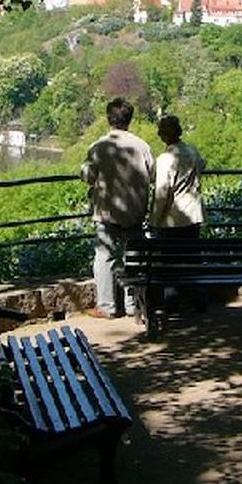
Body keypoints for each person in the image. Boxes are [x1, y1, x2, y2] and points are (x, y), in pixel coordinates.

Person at [81, 97, 154, 318]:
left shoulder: (100, 146)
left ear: (108, 118)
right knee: (134, 257)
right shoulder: (142, 146)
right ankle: (133, 305)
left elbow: (89, 175)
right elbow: (153, 175)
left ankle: (107, 306)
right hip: (136, 211)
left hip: (107, 211)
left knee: (105, 257)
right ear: (129, 119)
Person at [149, 114, 207, 313]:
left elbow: (162, 193)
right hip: (193, 215)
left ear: (164, 135)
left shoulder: (165, 159)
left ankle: (172, 304)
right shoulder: (192, 151)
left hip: (172, 220)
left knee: (170, 264)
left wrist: (154, 220)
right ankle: (197, 301)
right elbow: (202, 164)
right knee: (192, 260)